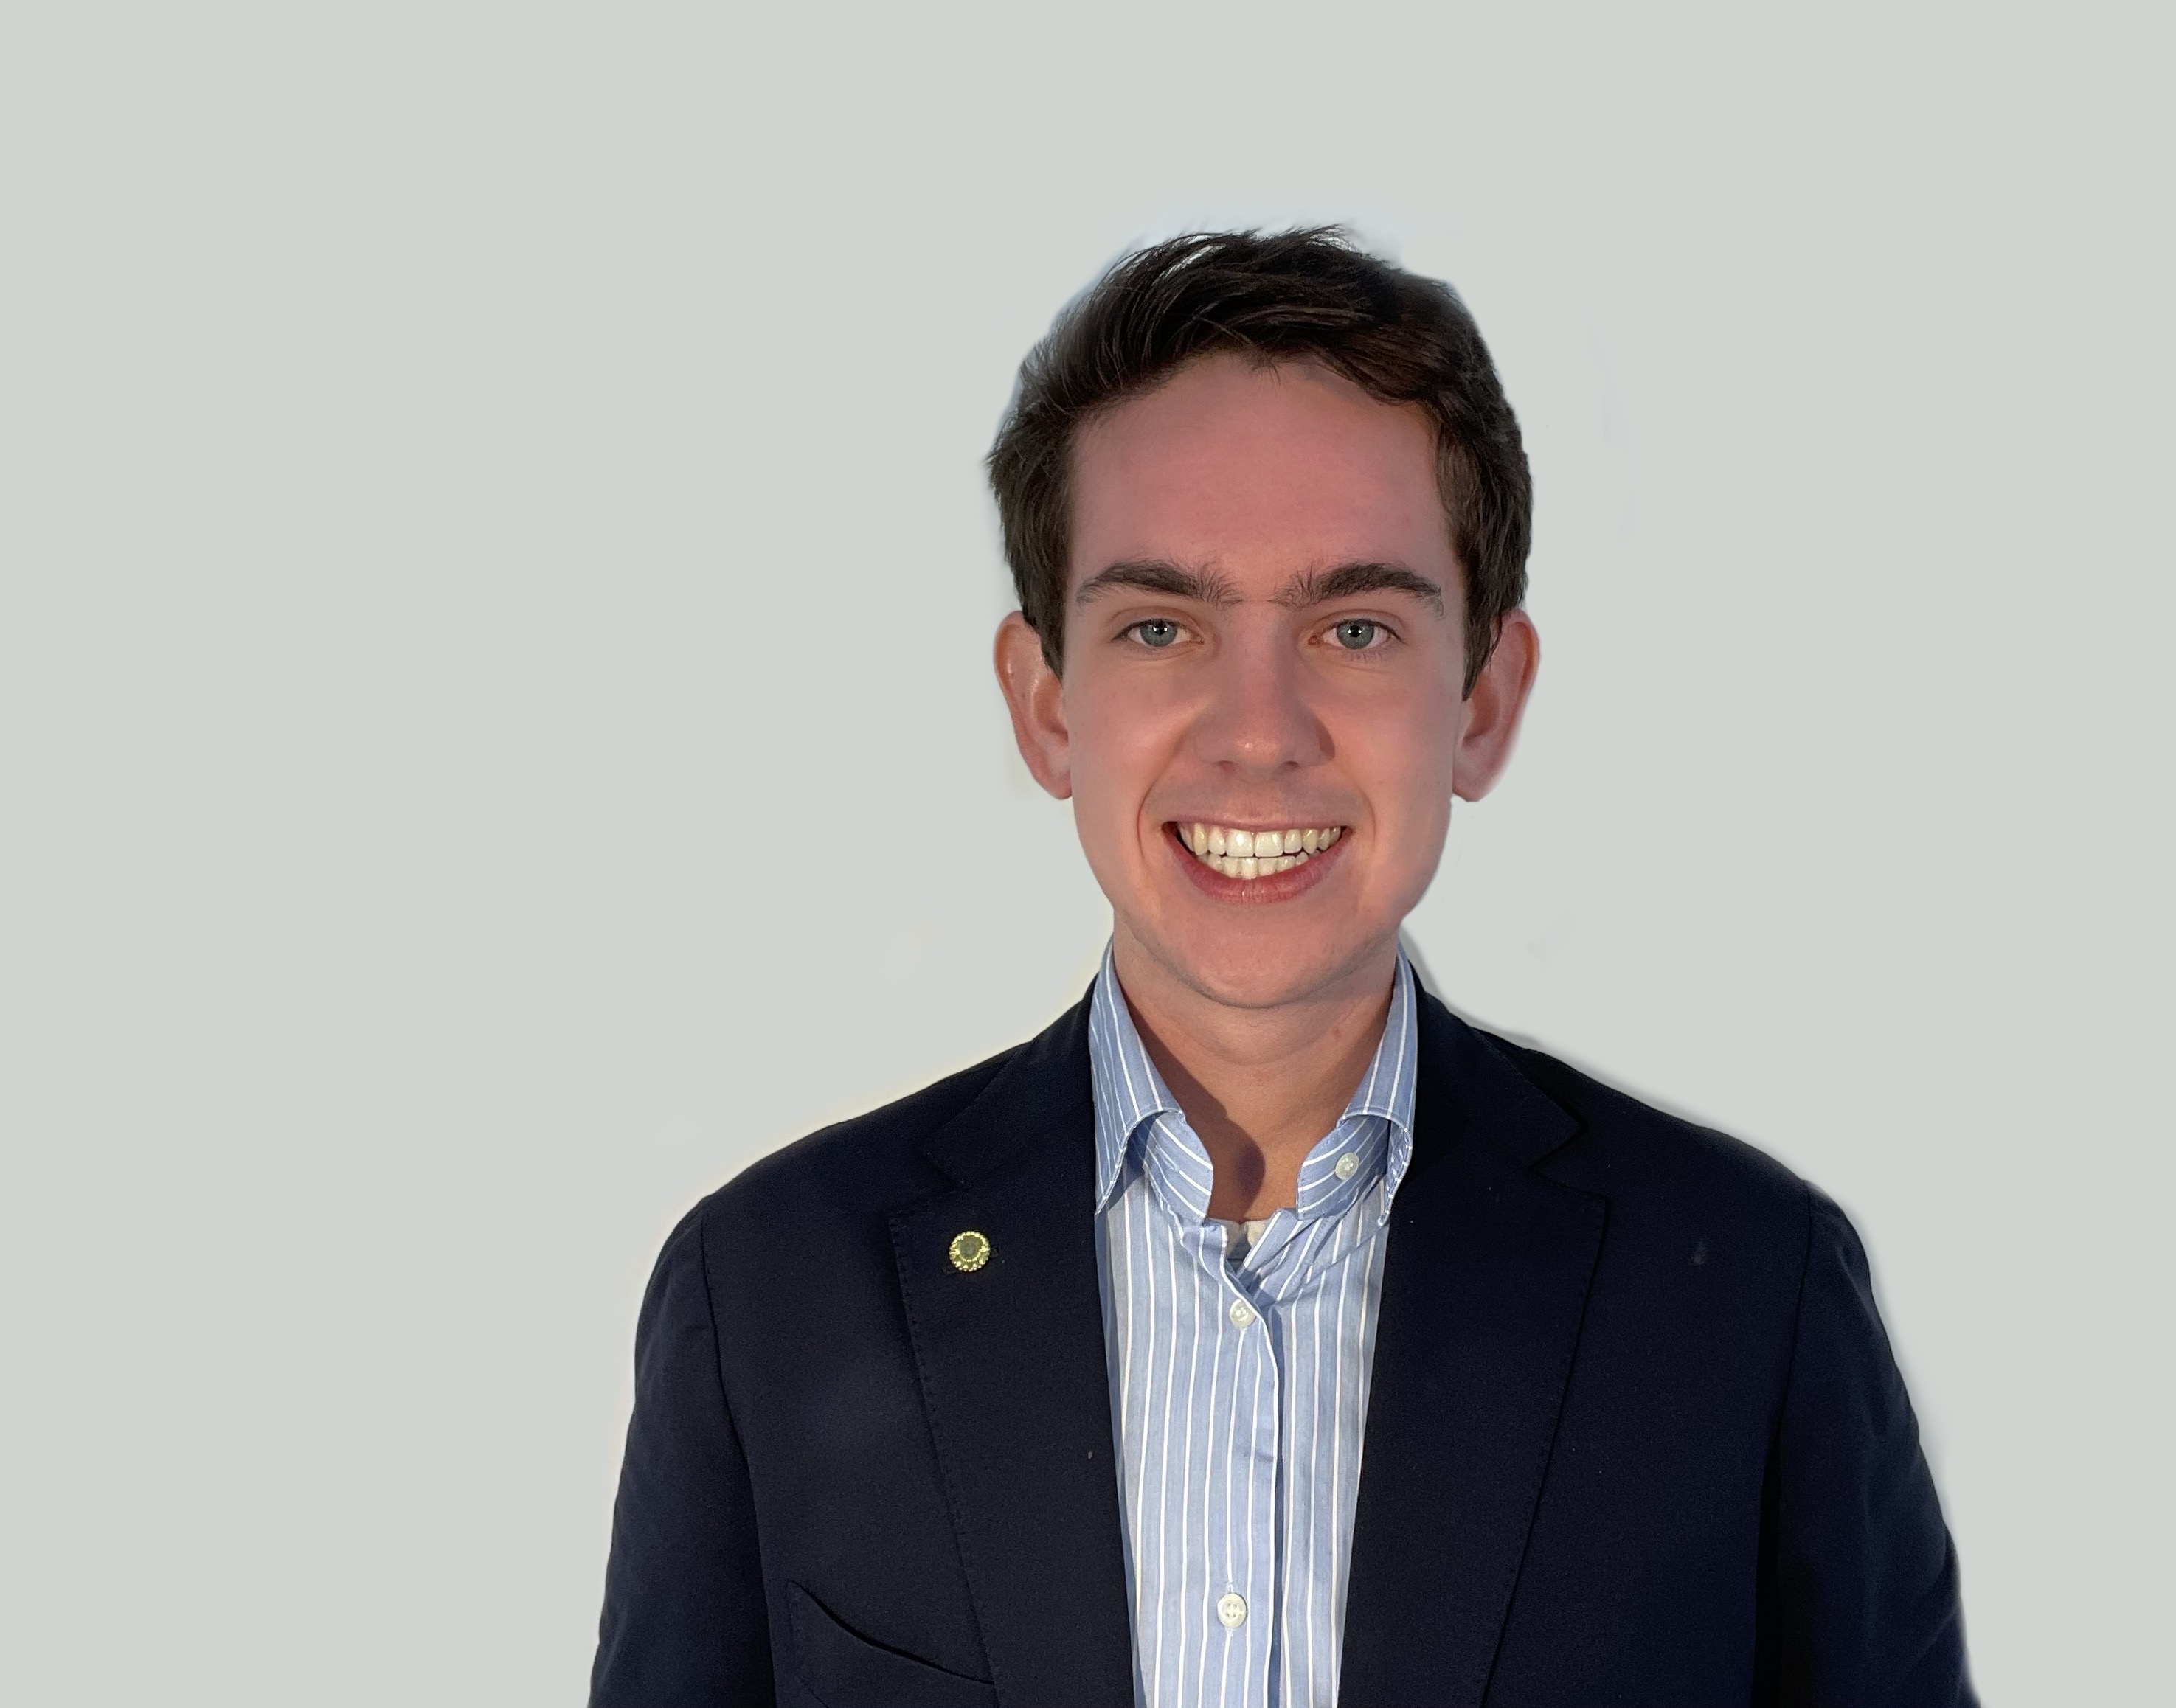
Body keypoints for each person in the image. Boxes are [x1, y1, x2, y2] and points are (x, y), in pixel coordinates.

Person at [590, 229, 1974, 1707]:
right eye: (1161, 626)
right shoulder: (774, 1292)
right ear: (1046, 706)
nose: (1258, 731)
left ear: (1483, 703)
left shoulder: (1746, 1296)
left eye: (1354, 626)